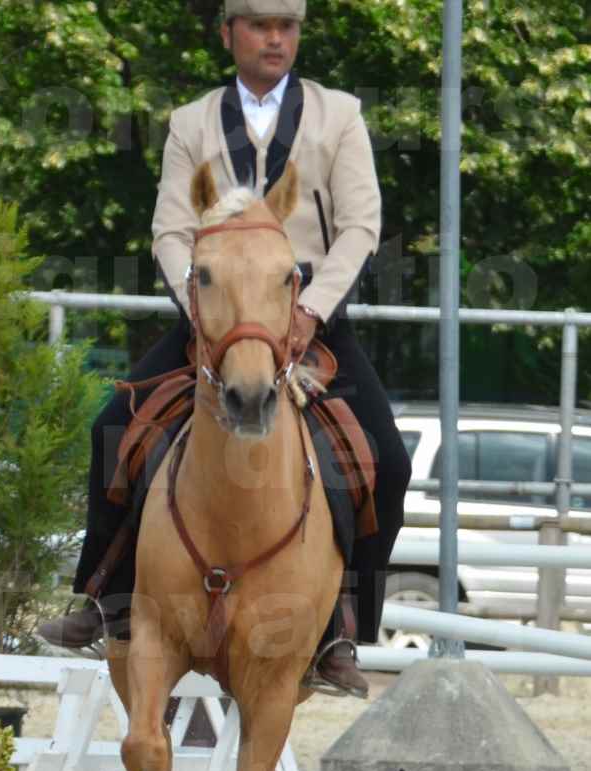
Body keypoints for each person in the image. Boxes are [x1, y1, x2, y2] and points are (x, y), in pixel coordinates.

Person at [38, 0, 412, 697]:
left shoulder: (341, 115)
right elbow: (170, 231)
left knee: (386, 463)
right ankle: (100, 596)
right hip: (213, 321)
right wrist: (200, 306)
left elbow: (361, 226)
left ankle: (341, 630)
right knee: (112, 428)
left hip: (311, 321)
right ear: (228, 33)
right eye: (261, 26)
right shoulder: (191, 122)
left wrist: (310, 307)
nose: (276, 39)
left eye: (288, 27)